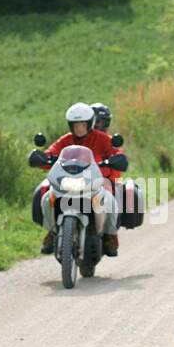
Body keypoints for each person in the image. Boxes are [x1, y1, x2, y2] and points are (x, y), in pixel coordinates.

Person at [31, 102, 122, 257]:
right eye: (75, 125)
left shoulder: (102, 139)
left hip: (96, 181)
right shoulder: (66, 140)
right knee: (47, 197)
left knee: (109, 199)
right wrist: (43, 158)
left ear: (89, 123)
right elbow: (52, 152)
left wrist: (116, 160)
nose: (79, 128)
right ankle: (52, 232)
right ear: (70, 125)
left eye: (82, 124)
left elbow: (116, 153)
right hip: (70, 180)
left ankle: (110, 235)